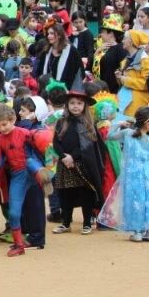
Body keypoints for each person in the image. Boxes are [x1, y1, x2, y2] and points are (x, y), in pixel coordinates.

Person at [98, 104, 149, 241]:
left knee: (135, 200)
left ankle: (137, 232)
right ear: (148, 124)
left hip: (133, 175)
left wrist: (117, 123)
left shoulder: (127, 133)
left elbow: (109, 136)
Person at [52, 86, 106, 236]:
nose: (76, 106)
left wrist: (73, 157)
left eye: (79, 103)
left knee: (85, 194)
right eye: (73, 103)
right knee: (66, 194)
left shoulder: (88, 124)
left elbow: (87, 144)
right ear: (67, 105)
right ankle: (66, 223)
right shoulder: (61, 122)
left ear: (85, 106)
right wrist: (64, 157)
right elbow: (56, 143)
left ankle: (87, 223)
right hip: (65, 165)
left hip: (83, 165)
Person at [117, 29, 149, 117]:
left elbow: (147, 84)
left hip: (139, 107)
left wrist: (125, 80)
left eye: (125, 38)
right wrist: (119, 77)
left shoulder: (145, 60)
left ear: (131, 42)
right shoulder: (126, 60)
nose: (122, 41)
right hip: (126, 104)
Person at [37, 23, 84, 88]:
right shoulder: (46, 51)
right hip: (47, 90)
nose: (49, 36)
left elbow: (80, 72)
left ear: (59, 35)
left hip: (66, 91)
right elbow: (39, 72)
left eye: (52, 33)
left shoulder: (72, 51)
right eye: (48, 34)